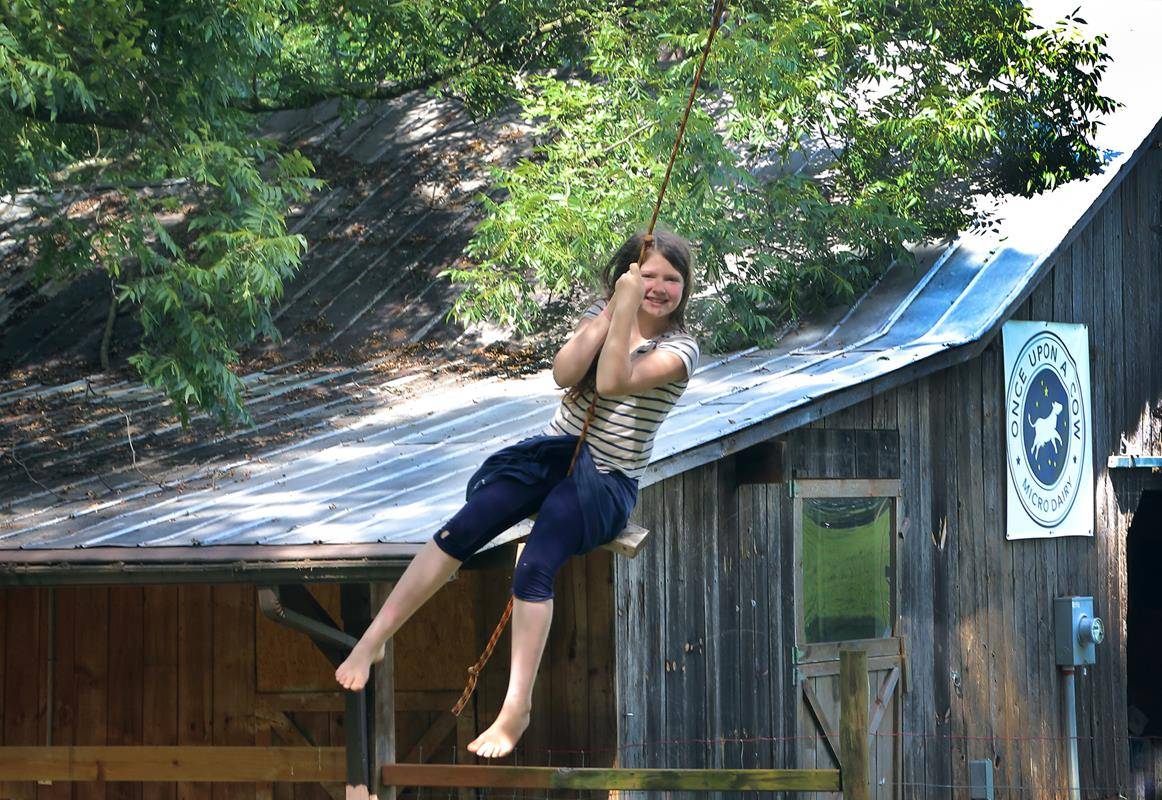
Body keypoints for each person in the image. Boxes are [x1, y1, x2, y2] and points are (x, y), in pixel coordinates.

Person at [334, 229, 700, 758]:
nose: (660, 287)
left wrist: (621, 314)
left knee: (535, 562)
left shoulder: (681, 349)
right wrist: (608, 314)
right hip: (554, 453)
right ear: (627, 276)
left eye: (673, 278)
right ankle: (374, 641)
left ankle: (516, 708)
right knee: (462, 528)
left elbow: (616, 382)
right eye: (649, 275)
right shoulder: (602, 318)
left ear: (685, 289)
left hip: (607, 480)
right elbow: (564, 373)